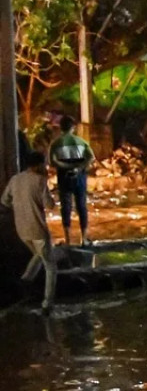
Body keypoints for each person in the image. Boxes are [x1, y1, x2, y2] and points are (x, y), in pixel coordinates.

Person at [3, 152, 57, 311]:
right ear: (39, 165)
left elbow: (4, 200)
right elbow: (50, 205)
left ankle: (26, 280)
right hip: (37, 229)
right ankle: (48, 303)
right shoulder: (40, 181)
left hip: (21, 229)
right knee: (51, 266)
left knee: (39, 255)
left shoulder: (15, 179)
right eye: (44, 163)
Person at [48, 116, 94, 246]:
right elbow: (91, 158)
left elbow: (52, 162)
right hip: (79, 177)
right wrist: (79, 167)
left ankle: (68, 239)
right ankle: (84, 238)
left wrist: (65, 166)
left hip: (64, 177)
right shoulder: (81, 141)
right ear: (73, 128)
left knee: (66, 206)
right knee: (81, 206)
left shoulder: (56, 144)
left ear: (61, 128)